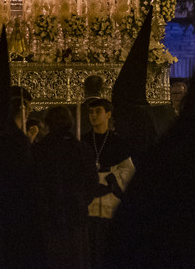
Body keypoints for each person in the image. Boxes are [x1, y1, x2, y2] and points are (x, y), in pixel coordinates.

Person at [33, 106, 99, 269]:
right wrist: (81, 200)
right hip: (75, 215)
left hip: (47, 217)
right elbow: (92, 181)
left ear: (47, 124)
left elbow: (33, 183)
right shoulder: (81, 149)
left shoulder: (39, 151)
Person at [81, 98, 134, 269]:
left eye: (98, 111)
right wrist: (90, 185)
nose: (93, 115)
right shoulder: (82, 141)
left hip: (110, 201)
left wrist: (110, 184)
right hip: (89, 202)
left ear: (108, 114)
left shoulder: (118, 142)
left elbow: (128, 170)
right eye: (90, 112)